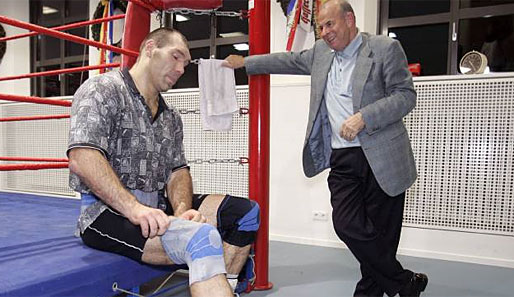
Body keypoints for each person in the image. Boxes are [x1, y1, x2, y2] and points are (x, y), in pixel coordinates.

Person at [224, 0, 427, 296]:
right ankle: (405, 281)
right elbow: (287, 61)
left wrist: (364, 117)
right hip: (343, 157)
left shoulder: (383, 49)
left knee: (381, 237)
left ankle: (374, 291)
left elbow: (405, 96)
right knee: (347, 225)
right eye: (320, 27)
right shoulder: (321, 53)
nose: (324, 32)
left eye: (329, 24)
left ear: (349, 19)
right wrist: (246, 63)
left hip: (383, 157)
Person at [68, 27, 259, 297]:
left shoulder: (170, 117)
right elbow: (82, 157)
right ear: (150, 49)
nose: (181, 68)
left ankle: (220, 287)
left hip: (154, 203)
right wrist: (133, 208)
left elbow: (177, 171)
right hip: (104, 212)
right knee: (201, 238)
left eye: (185, 63)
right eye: (175, 56)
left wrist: (182, 211)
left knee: (246, 213)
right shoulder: (102, 89)